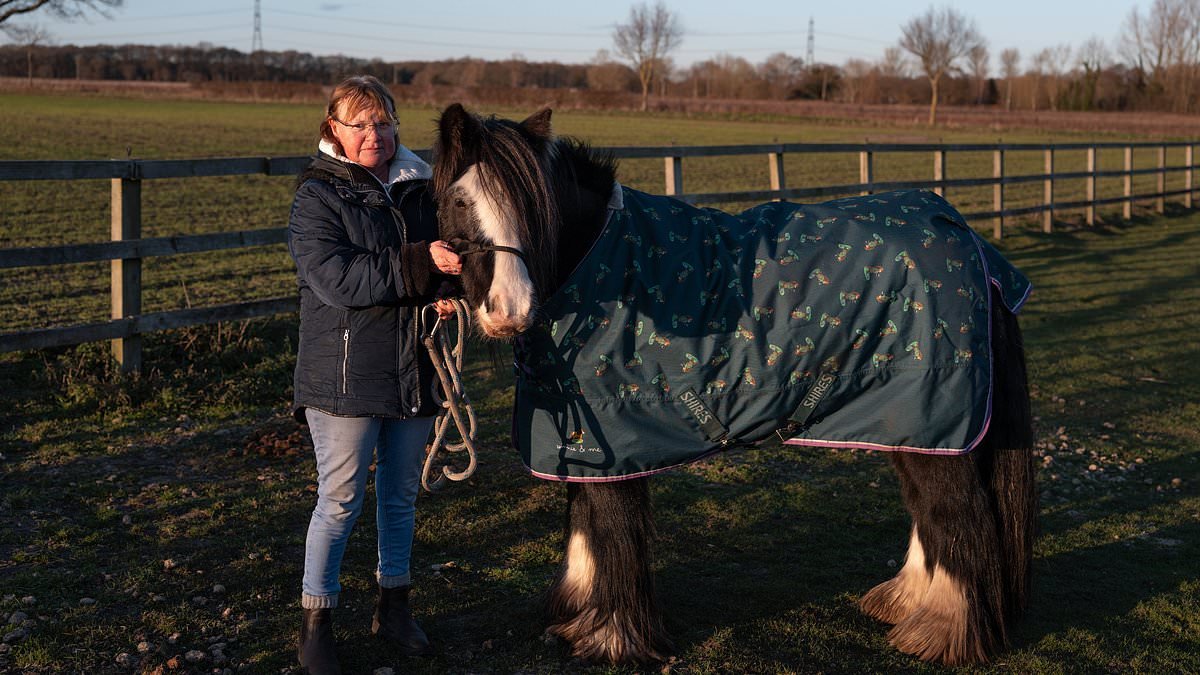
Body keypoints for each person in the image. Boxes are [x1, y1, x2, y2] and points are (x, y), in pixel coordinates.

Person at [286, 75, 461, 674]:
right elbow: (336, 277)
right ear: (332, 129)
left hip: (415, 364)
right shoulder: (318, 195)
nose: (374, 135)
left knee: (400, 499)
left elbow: (442, 259)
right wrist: (419, 265)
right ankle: (317, 621)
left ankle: (395, 605)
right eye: (359, 124)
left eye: (383, 122)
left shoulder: (421, 187)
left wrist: (445, 288)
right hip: (345, 375)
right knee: (338, 501)